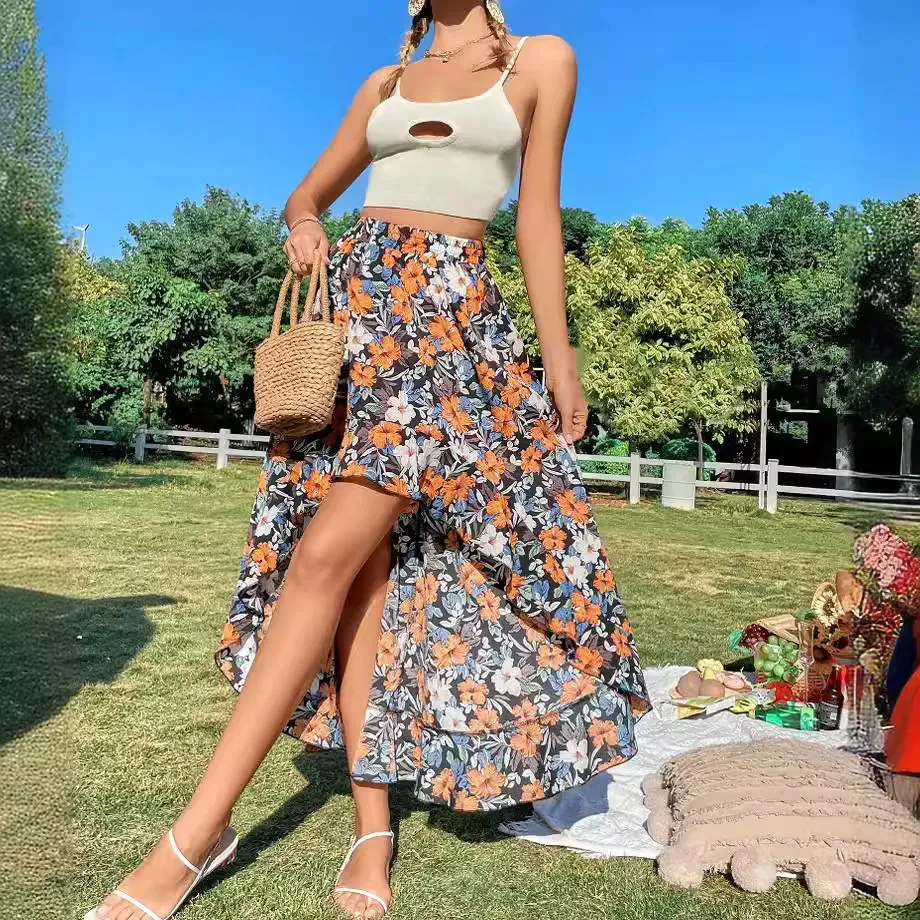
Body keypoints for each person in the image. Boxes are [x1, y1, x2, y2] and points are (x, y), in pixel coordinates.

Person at [84, 2, 650, 919]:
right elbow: (307, 194)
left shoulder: (542, 60)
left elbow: (537, 216)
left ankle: (192, 838)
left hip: (451, 331)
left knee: (323, 557)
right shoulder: (383, 84)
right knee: (358, 577)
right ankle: (371, 830)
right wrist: (306, 223)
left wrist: (561, 358)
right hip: (361, 321)